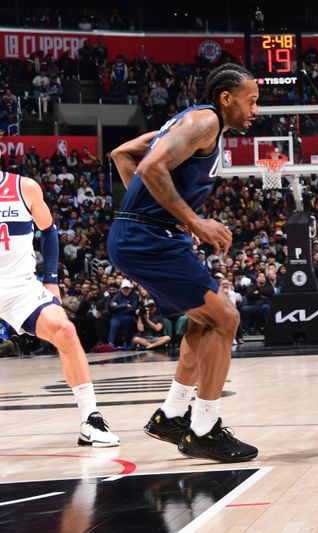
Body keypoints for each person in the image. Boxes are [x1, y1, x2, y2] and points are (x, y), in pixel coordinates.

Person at [108, 63, 258, 462]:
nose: (255, 109)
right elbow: (148, 167)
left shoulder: (194, 124)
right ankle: (204, 428)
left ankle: (171, 416)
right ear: (226, 98)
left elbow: (122, 154)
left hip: (147, 234)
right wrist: (192, 221)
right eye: (251, 101)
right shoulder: (203, 122)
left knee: (204, 319)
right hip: (146, 239)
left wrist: (168, 218)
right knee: (226, 318)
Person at [0, 170, 118, 446]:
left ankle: (91, 419)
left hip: (20, 287)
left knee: (65, 330)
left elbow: (48, 230)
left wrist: (51, 279)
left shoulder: (23, 187)